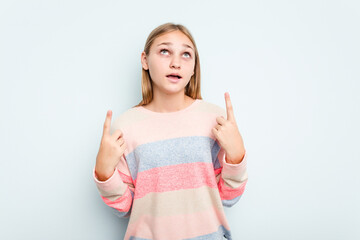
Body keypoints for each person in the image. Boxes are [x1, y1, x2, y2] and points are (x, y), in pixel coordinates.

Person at [93, 22, 248, 240]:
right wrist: (104, 173)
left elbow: (228, 198)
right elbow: (124, 208)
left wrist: (236, 155)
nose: (176, 63)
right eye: (164, 51)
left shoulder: (215, 119)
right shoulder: (125, 126)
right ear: (145, 60)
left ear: (194, 67)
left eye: (186, 54)